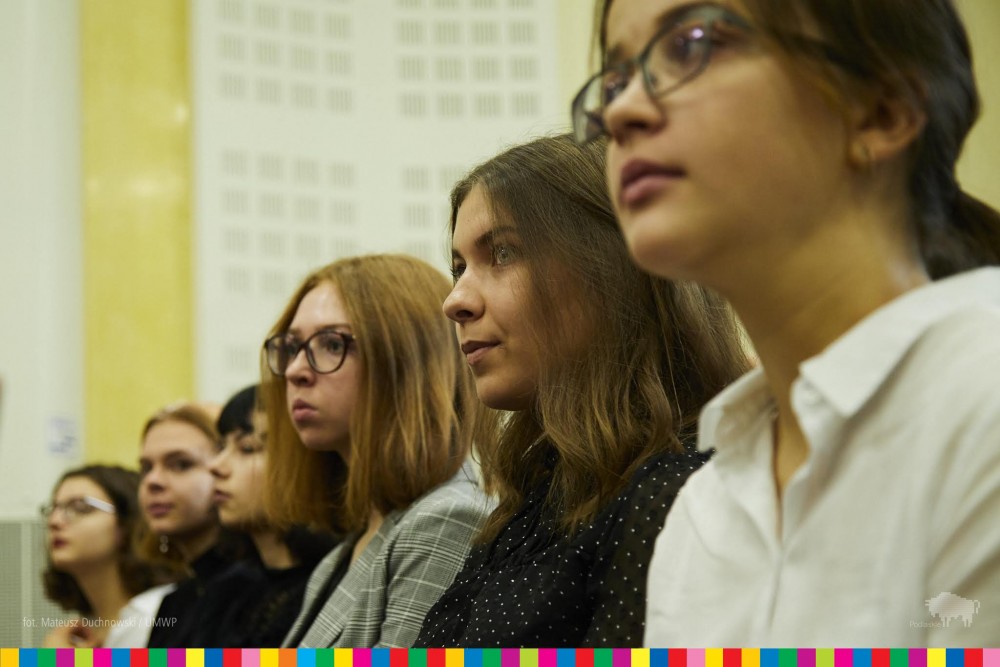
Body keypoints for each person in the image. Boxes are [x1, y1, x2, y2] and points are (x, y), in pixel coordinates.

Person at [575, 0, 1000, 646]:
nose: (622, 112)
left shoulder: (981, 398)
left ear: (880, 111)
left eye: (692, 43)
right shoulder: (702, 512)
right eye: (615, 81)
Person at [413, 133, 750, 647]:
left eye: (502, 253)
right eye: (459, 267)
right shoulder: (541, 493)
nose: (454, 300)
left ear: (610, 271)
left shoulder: (678, 495)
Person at [261, 254, 493, 648]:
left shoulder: (447, 517)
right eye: (292, 346)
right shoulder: (342, 553)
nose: (297, 369)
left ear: (407, 362)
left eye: (331, 343)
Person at [187, 384, 336, 647]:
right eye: (221, 447)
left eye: (247, 448)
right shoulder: (227, 589)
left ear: (303, 462)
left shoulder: (337, 588)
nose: (215, 466)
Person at [138, 401, 248, 647]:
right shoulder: (176, 602)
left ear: (224, 468)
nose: (153, 481)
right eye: (146, 468)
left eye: (181, 464)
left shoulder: (251, 590)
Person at [41, 465, 177, 648]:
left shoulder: (163, 613)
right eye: (52, 509)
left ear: (127, 523)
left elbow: (213, 660)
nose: (54, 521)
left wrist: (54, 660)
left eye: (80, 508)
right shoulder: (79, 633)